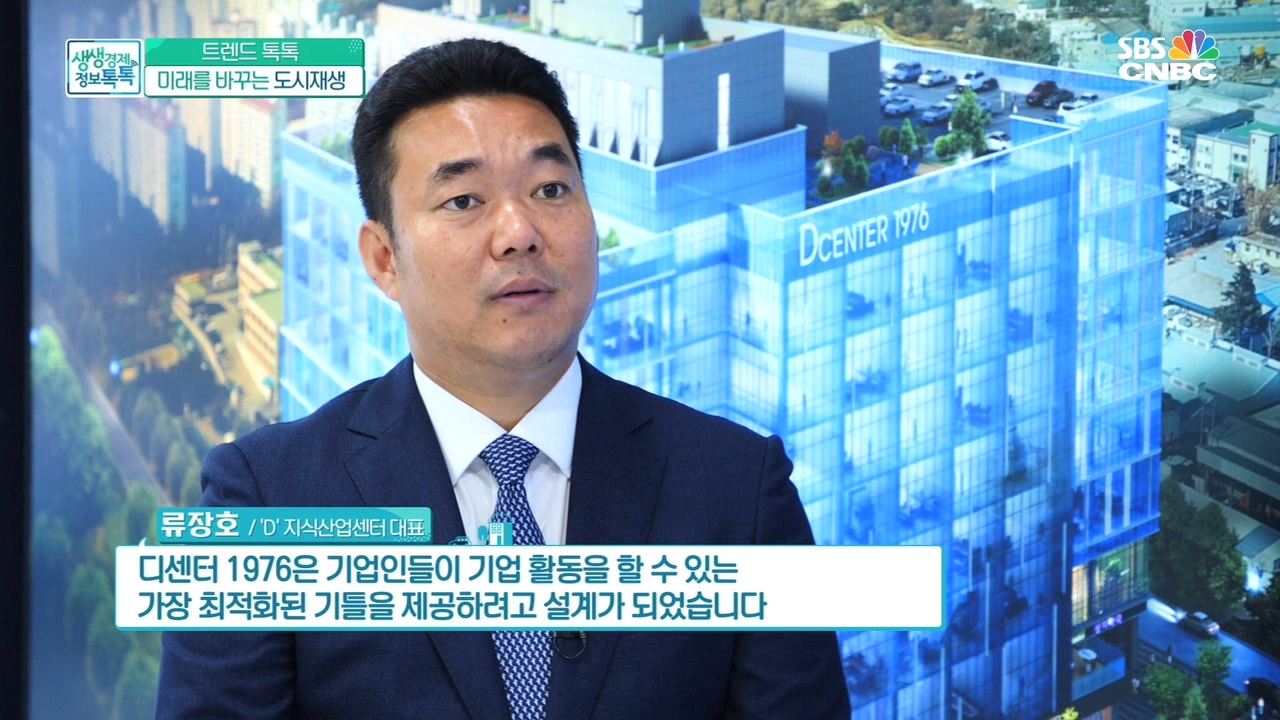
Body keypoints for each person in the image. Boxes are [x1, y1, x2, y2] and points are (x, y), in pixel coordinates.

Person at [156, 39, 849, 720]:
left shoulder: (738, 491)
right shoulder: (266, 503)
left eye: (550, 189)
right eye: (464, 200)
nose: (519, 231)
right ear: (385, 259)